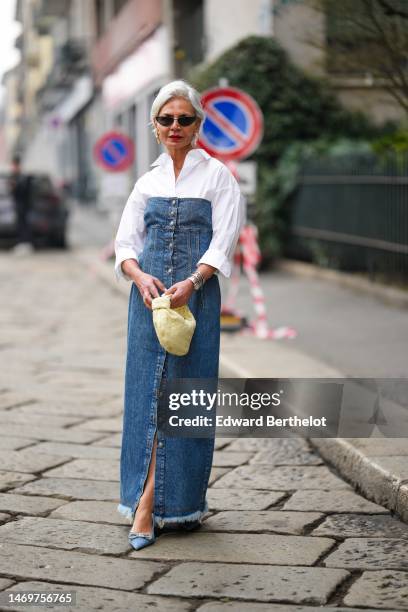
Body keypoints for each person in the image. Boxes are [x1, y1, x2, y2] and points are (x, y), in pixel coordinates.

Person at [114, 80, 243, 550]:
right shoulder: (145, 182)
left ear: (197, 126)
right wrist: (139, 277)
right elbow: (126, 244)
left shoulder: (218, 178)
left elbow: (223, 242)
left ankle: (179, 504)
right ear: (154, 125)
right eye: (166, 119)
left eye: (184, 119)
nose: (174, 126)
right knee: (146, 397)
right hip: (147, 303)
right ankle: (144, 503)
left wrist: (193, 283)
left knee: (185, 402)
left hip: (197, 299)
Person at [10, 155, 33, 253]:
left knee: (23, 225)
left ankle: (25, 244)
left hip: (23, 205)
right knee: (21, 225)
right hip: (19, 205)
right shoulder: (16, 176)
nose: (13, 167)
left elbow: (22, 191)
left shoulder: (21, 177)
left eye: (14, 165)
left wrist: (14, 187)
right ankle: (23, 244)